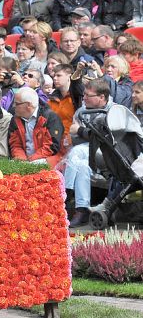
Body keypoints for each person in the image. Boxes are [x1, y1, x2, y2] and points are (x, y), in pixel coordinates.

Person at [64, 78, 113, 226]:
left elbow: (106, 139)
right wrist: (87, 134)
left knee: (76, 153)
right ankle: (82, 209)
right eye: (83, 94)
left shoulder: (113, 110)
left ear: (102, 97)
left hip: (108, 155)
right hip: (87, 154)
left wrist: (81, 131)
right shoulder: (81, 111)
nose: (83, 98)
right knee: (82, 166)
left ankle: (66, 193)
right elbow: (73, 138)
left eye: (88, 95)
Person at [8, 86, 64, 167]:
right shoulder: (15, 119)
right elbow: (15, 145)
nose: (13, 106)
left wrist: (30, 161)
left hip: (46, 159)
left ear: (28, 105)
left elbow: (51, 147)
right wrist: (21, 160)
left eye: (17, 103)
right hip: (24, 160)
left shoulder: (51, 117)